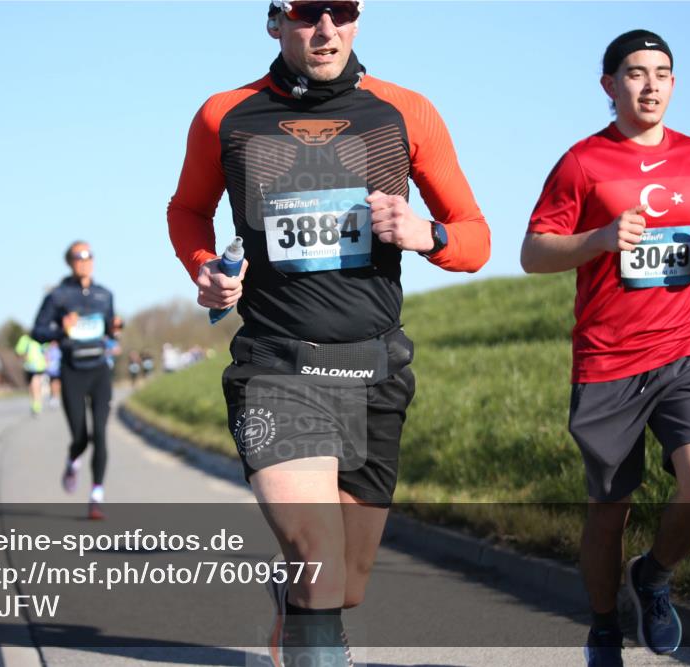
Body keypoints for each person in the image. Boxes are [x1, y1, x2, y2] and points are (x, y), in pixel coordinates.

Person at [168, 1, 489, 663]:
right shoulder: (224, 115)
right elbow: (187, 210)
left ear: (359, 19)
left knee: (346, 581)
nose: (325, 29)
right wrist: (207, 272)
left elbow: (476, 238)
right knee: (319, 557)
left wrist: (426, 233)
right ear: (275, 21)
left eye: (340, 12)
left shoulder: (405, 111)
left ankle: (293, 604)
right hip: (277, 367)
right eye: (307, 12)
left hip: (375, 367)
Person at [520, 29, 690, 667]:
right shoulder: (583, 162)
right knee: (609, 511)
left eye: (663, 73)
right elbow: (533, 253)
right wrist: (601, 238)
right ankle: (605, 624)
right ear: (609, 85)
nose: (650, 85)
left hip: (683, 351)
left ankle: (655, 576)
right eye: (636, 73)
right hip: (608, 360)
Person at [32, 241, 116, 520]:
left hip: (100, 370)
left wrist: (115, 331)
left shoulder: (105, 295)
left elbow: (109, 327)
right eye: (79, 257)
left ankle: (96, 496)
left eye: (89, 255)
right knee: (80, 437)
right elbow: (38, 331)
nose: (85, 260)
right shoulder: (58, 296)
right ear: (70, 262)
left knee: (101, 435)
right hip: (72, 371)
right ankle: (72, 461)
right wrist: (60, 328)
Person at [15, 332, 47, 416]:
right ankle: (35, 402)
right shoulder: (25, 339)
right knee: (31, 386)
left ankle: (37, 405)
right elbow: (19, 351)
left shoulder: (40, 337)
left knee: (35, 383)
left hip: (39, 366)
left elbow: (46, 349)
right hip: (28, 366)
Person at [44, 340, 62, 408]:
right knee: (53, 382)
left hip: (58, 368)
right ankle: (54, 396)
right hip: (52, 369)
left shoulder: (59, 348)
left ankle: (56, 396)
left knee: (57, 382)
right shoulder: (48, 348)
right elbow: (46, 358)